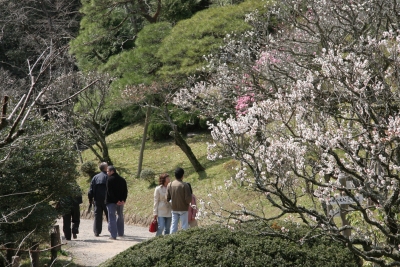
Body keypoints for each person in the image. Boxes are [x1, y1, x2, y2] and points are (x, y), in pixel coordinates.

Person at [105, 165, 128, 240]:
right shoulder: (122, 179)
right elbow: (125, 191)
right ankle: (121, 232)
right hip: (121, 202)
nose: (107, 172)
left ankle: (113, 235)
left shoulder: (109, 180)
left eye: (108, 171)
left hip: (111, 201)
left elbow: (109, 192)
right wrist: (123, 200)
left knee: (112, 217)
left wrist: (115, 201)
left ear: (112, 171)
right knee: (120, 216)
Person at [167, 167, 192, 233]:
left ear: (175, 175)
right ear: (182, 175)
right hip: (183, 208)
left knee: (173, 225)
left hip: (174, 208)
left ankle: (171, 239)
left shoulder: (170, 184)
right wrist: (187, 203)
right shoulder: (185, 185)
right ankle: (183, 239)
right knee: (184, 226)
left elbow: (167, 197)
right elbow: (188, 199)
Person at [88, 162, 109, 237]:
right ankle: (112, 230)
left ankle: (97, 231)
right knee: (109, 214)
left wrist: (90, 199)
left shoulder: (95, 177)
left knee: (97, 216)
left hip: (97, 199)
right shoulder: (108, 177)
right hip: (107, 199)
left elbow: (90, 190)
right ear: (105, 168)